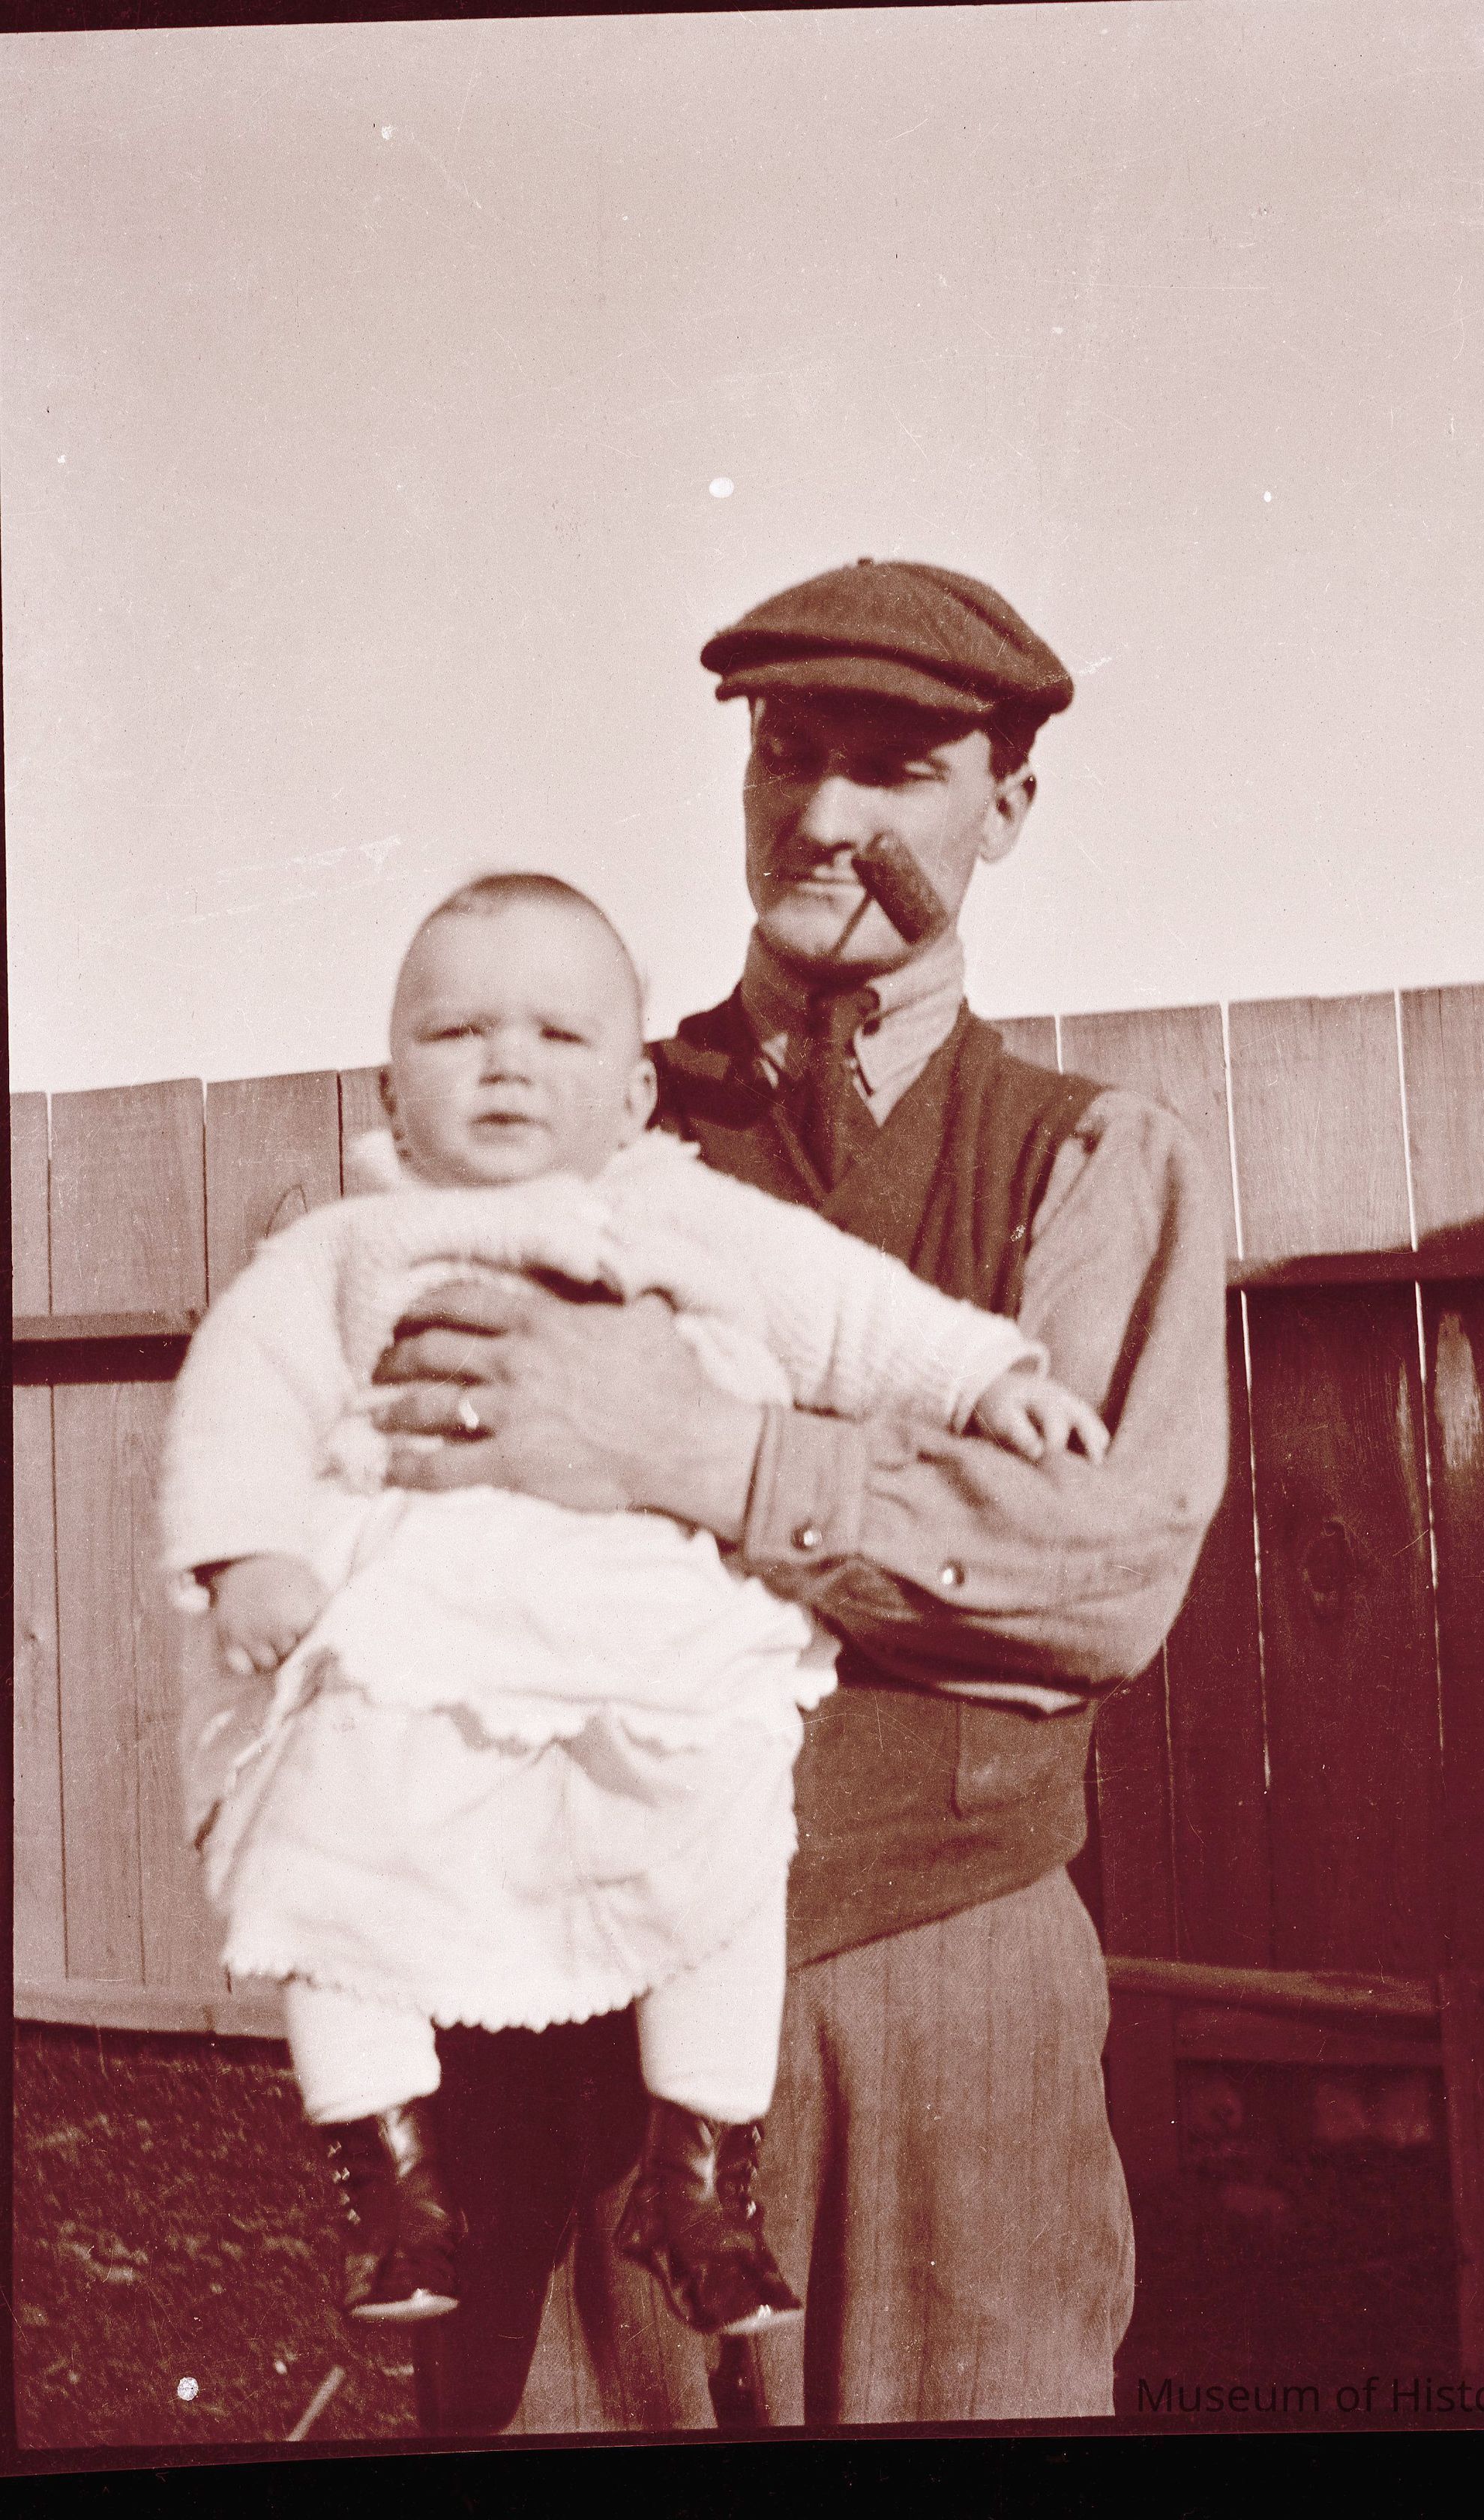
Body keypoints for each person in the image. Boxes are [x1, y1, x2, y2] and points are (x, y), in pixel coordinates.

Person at [376, 559, 1232, 2428]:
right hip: (577, 2006)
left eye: (897, 769)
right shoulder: (578, 1129)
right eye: (787, 753)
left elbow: (1094, 1582)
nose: (824, 816)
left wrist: (697, 1453)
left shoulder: (1093, 1160)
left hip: (942, 1996)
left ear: (1008, 805)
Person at [160, 871, 1107, 2342]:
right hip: (421, 1630)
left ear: (633, 1091)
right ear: (393, 1085)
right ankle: (389, 2177)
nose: (506, 1065)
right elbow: (239, 1396)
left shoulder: (683, 1213)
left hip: (645, 1625)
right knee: (330, 1847)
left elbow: (843, 1307)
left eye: (557, 1035)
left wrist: (986, 1376)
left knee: (726, 1839)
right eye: (456, 1033)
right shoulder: (349, 1245)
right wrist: (248, 1558)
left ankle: (698, 2173)